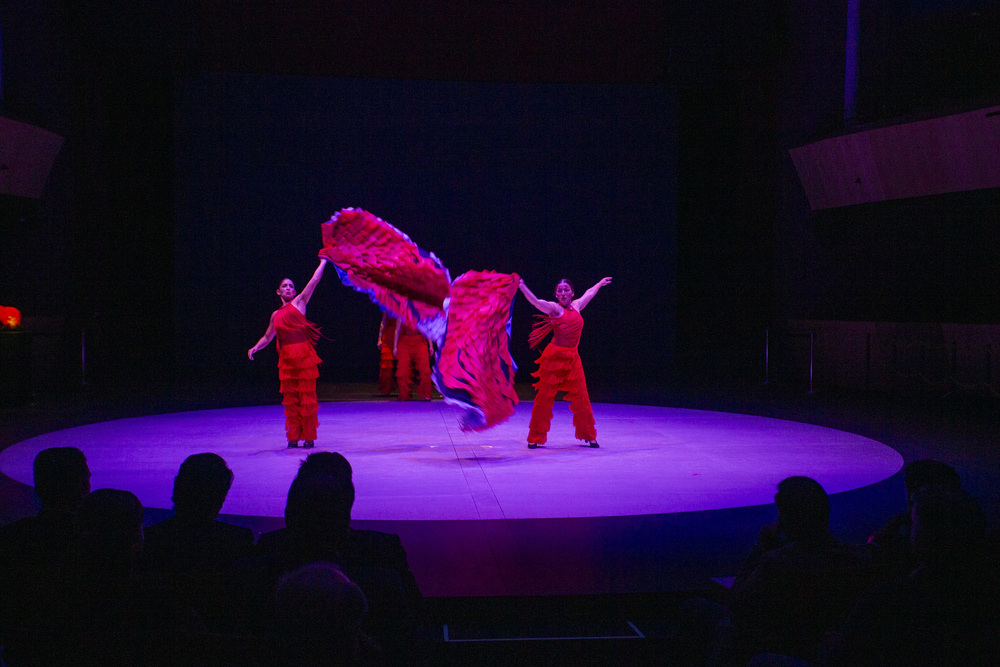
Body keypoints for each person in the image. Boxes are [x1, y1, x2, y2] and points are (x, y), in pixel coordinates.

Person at [518, 276, 611, 448]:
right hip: (554, 359)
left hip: (573, 359)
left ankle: (589, 435)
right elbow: (536, 302)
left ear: (572, 293)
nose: (563, 292)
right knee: (544, 398)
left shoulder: (577, 306)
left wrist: (599, 284)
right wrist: (523, 287)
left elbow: (589, 293)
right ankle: (535, 436)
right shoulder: (554, 309)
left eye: (566, 289)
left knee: (582, 397)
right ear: (556, 294)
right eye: (559, 290)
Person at [248, 259, 328, 448]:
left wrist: (324, 261)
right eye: (285, 286)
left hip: (303, 357)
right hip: (286, 360)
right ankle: (293, 437)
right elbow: (267, 337)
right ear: (278, 291)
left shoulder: (300, 302)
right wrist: (255, 348)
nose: (289, 288)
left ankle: (309, 437)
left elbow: (314, 280)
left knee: (307, 399)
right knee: (291, 399)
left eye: (291, 286)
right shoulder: (275, 315)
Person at [393, 319, 433, 401]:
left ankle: (426, 393)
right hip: (405, 342)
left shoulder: (420, 313)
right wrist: (395, 347)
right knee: (403, 370)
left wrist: (431, 346)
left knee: (425, 368)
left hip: (420, 342)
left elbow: (427, 330)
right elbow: (397, 330)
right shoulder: (401, 314)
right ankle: (405, 394)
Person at [376, 313, 398, 396]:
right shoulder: (387, 306)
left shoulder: (403, 305)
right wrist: (379, 339)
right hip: (388, 335)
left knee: (404, 363)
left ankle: (405, 390)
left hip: (400, 334)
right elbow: (383, 322)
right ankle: (386, 389)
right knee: (386, 364)